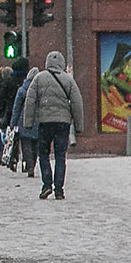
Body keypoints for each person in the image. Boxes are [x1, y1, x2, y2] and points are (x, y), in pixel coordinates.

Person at [23, 51, 85, 200]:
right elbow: (77, 103)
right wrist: (78, 126)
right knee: (60, 155)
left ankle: (46, 184)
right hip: (63, 124)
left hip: (45, 123)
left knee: (43, 153)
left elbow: (30, 101)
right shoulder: (68, 80)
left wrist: (28, 122)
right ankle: (59, 189)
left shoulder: (39, 78)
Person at [9, 67, 41, 177]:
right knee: (35, 145)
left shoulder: (22, 90)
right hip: (38, 120)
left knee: (26, 144)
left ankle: (29, 164)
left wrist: (13, 123)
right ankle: (33, 163)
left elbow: (16, 108)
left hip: (24, 120)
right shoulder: (40, 90)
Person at [0, 58, 29, 168]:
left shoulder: (9, 81)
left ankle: (13, 159)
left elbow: (1, 98)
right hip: (26, 112)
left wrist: (1, 112)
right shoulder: (28, 80)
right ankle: (27, 161)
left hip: (10, 112)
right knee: (26, 139)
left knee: (12, 137)